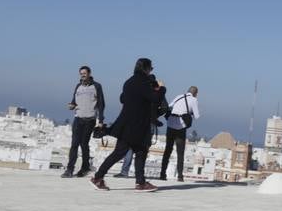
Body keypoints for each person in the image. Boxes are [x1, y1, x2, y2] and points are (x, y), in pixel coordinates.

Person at [91, 57, 166, 192]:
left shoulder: (129, 82)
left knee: (139, 152)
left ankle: (140, 182)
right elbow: (155, 98)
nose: (151, 71)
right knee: (123, 152)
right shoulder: (143, 82)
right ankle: (98, 177)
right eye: (151, 68)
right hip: (137, 125)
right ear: (146, 68)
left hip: (127, 123)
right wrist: (162, 88)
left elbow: (122, 98)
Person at [61, 66, 105, 178]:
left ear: (89, 73)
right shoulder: (78, 86)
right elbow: (73, 101)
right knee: (74, 144)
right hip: (78, 119)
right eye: (81, 73)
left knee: (84, 144)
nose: (82, 75)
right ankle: (69, 169)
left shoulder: (96, 86)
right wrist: (71, 106)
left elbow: (101, 104)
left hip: (90, 120)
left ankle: (85, 168)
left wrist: (101, 120)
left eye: (84, 73)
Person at [160, 85, 199, 182]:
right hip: (180, 126)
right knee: (180, 153)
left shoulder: (179, 96)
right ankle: (180, 176)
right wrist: (189, 114)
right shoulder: (194, 100)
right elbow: (197, 115)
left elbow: (169, 107)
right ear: (195, 94)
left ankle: (162, 174)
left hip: (170, 124)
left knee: (167, 150)